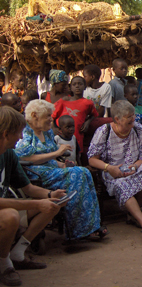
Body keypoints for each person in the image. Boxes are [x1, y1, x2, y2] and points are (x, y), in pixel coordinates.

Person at [14, 99, 105, 240]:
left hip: (51, 169)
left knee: (84, 171)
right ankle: (79, 230)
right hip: (35, 174)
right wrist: (56, 153)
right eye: (47, 116)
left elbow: (50, 159)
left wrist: (62, 164)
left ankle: (91, 225)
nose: (51, 119)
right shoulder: (25, 132)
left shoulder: (47, 131)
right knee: (77, 175)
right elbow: (27, 159)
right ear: (34, 115)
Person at [0, 107, 66, 286]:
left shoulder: (9, 155)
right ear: (6, 134)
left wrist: (50, 195)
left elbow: (28, 188)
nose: (21, 138)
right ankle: (4, 264)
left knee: (53, 205)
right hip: (5, 211)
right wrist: (36, 205)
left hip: (7, 206)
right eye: (19, 133)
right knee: (11, 216)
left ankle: (17, 254)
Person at [88, 100, 142, 242]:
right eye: (128, 121)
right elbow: (92, 159)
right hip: (113, 174)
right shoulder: (104, 131)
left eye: (133, 119)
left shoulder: (139, 129)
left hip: (135, 169)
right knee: (122, 184)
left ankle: (132, 214)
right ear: (117, 119)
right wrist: (109, 168)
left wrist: (134, 166)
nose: (132, 123)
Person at [52, 76, 98, 151]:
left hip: (77, 136)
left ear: (85, 87)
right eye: (74, 84)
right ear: (70, 87)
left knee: (75, 155)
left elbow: (94, 115)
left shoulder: (88, 103)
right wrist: (53, 127)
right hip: (60, 136)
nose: (77, 86)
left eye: (80, 84)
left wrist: (87, 122)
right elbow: (52, 116)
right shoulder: (63, 101)